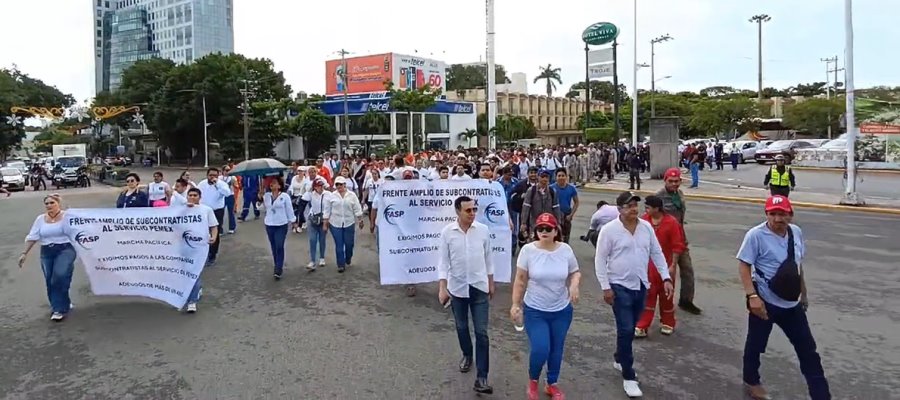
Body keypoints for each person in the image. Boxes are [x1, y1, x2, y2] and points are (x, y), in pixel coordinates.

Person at [737, 195, 830, 400]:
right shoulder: (755, 235)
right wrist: (752, 296)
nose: (778, 219)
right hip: (765, 301)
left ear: (791, 215)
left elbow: (797, 265)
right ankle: (751, 381)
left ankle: (821, 395)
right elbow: (744, 265)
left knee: (808, 351)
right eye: (773, 214)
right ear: (766, 214)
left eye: (782, 214)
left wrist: (803, 293)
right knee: (756, 345)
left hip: (792, 304)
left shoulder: (795, 232)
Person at [594, 191, 674, 398]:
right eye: (629, 206)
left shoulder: (646, 227)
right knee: (626, 329)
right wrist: (605, 287)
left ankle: (620, 356)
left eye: (635, 206)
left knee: (629, 328)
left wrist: (666, 277)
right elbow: (600, 260)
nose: (634, 209)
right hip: (618, 286)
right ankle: (629, 376)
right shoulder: (609, 231)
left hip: (641, 285)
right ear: (619, 209)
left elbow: (656, 252)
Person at [510, 213, 581, 400]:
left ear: (556, 230)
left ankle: (552, 383)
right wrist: (515, 304)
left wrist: (574, 285)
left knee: (556, 348)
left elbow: (575, 272)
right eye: (540, 228)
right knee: (541, 348)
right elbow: (520, 279)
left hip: (561, 310)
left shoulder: (565, 250)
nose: (544, 232)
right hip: (535, 310)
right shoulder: (528, 251)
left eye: (548, 228)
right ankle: (533, 380)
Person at [437, 195, 495, 395]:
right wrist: (442, 287)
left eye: (474, 210)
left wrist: (491, 282)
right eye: (468, 210)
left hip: (479, 287)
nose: (472, 214)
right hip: (458, 289)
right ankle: (467, 355)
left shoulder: (483, 231)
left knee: (482, 333)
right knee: (461, 327)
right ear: (458, 212)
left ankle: (482, 377)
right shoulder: (447, 233)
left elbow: (489, 258)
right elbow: (443, 263)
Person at [19, 193, 76, 322]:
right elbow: (33, 236)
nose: (49, 205)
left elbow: (81, 228)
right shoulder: (40, 219)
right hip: (47, 251)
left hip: (65, 249)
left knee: (59, 275)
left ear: (58, 204)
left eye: (52, 203)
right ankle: (61, 303)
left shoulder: (68, 216)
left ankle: (58, 310)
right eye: (47, 203)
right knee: (50, 280)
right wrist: (24, 253)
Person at [635, 195, 685, 337]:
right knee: (648, 294)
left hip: (666, 264)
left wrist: (673, 265)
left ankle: (668, 322)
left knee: (666, 294)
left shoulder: (671, 222)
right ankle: (643, 324)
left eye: (648, 207)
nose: (646, 210)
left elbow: (677, 245)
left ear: (657, 208)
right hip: (648, 266)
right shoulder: (644, 221)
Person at [656, 167, 702, 315]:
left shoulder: (680, 194)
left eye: (677, 181)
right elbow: (651, 219)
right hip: (664, 241)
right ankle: (657, 304)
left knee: (687, 269)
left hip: (680, 239)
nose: (674, 184)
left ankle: (686, 301)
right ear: (665, 181)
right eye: (671, 181)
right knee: (662, 273)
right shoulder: (658, 197)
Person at [183, 187, 220, 313]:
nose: (192, 197)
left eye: (195, 195)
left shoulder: (206, 210)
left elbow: (214, 226)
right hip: (184, 246)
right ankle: (194, 291)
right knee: (186, 273)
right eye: (190, 195)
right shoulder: (182, 210)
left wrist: (214, 237)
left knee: (195, 273)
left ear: (200, 197)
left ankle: (192, 301)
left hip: (200, 246)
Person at [323, 176, 364, 273]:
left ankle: (348, 257)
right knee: (339, 245)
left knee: (349, 244)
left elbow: (357, 208)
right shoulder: (331, 196)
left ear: (345, 184)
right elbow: (327, 210)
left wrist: (360, 220)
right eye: (337, 184)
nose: (339, 186)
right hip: (335, 223)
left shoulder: (352, 195)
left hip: (349, 222)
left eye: (341, 184)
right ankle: (340, 264)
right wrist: (325, 224)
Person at [260, 176, 296, 280]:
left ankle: (278, 268)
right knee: (273, 246)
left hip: (281, 224)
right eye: (271, 183)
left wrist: (293, 221)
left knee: (279, 245)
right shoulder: (266, 196)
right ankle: (277, 264)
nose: (272, 184)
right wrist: (259, 198)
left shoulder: (284, 196)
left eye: (274, 182)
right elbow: (261, 208)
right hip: (269, 224)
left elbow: (289, 210)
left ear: (279, 185)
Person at [197, 168, 231, 266]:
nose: (212, 177)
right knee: (203, 232)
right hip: (204, 210)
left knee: (214, 233)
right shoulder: (202, 184)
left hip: (217, 211)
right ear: (207, 175)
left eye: (215, 175)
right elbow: (197, 195)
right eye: (211, 175)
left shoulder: (221, 184)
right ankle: (204, 253)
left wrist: (217, 184)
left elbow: (227, 193)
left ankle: (212, 254)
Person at [520, 170, 561, 240]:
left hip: (549, 225)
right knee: (534, 244)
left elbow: (556, 208)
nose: (544, 179)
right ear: (538, 177)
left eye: (547, 177)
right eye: (542, 177)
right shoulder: (531, 190)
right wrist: (523, 223)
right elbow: (526, 208)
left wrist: (558, 223)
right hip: (534, 224)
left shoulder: (552, 191)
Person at [302, 180, 330, 271]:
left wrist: (327, 221)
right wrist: (309, 190)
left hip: (323, 219)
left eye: (321, 186)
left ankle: (322, 257)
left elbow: (330, 206)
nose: (320, 188)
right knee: (312, 239)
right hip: (312, 219)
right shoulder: (311, 194)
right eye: (318, 186)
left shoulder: (328, 194)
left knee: (322, 239)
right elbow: (302, 200)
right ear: (314, 187)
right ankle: (312, 261)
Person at [549, 168, 578, 243]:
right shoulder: (551, 188)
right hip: (555, 216)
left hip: (567, 216)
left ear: (566, 177)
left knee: (565, 238)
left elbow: (576, 202)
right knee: (555, 237)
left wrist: (571, 215)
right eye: (559, 176)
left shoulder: (571, 188)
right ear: (556, 177)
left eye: (563, 175)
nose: (561, 177)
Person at [221, 166, 238, 234]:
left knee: (231, 212)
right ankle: (220, 229)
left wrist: (234, 184)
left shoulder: (232, 177)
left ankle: (232, 227)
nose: (228, 171)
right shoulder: (220, 178)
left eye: (229, 170)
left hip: (230, 195)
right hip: (222, 196)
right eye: (226, 170)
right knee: (220, 213)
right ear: (223, 171)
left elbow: (237, 186)